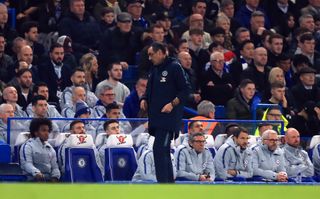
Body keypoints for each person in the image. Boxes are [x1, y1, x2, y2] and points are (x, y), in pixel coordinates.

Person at [140, 42, 189, 183]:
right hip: (156, 118)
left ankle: (164, 185)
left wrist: (172, 104)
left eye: (152, 54)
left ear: (162, 52)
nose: (149, 58)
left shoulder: (174, 67)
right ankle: (168, 184)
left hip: (168, 118)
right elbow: (149, 89)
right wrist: (144, 98)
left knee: (159, 149)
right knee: (163, 150)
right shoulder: (155, 69)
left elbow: (185, 89)